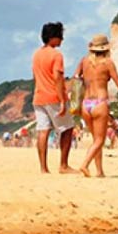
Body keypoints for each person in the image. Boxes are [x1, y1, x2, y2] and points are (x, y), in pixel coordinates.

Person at [73, 34, 118, 177]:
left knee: (95, 141)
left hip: (86, 104)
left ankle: (99, 171)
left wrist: (75, 100)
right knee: (100, 140)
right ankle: (85, 164)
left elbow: (75, 79)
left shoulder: (84, 61)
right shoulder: (107, 63)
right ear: (106, 48)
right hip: (100, 103)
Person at [32, 21, 77, 174]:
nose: (62, 40)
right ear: (53, 37)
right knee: (68, 129)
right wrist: (63, 100)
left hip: (38, 97)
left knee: (42, 131)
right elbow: (58, 78)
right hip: (53, 96)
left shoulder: (36, 54)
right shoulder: (56, 55)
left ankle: (43, 168)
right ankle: (63, 165)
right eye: (60, 36)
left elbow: (35, 77)